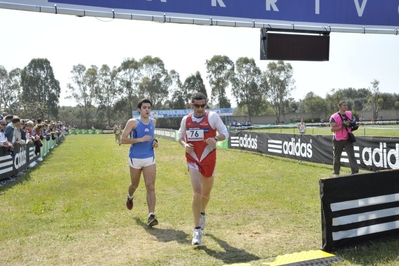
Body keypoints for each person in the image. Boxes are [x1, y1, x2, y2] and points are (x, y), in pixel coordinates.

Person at [177, 92, 229, 245]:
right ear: (191, 105)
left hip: (209, 160)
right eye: (197, 106)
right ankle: (197, 230)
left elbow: (225, 133)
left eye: (203, 105)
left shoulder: (212, 117)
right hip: (193, 159)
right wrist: (185, 145)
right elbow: (180, 136)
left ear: (206, 105)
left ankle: (202, 212)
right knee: (197, 193)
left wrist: (215, 138)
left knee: (206, 195)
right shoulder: (186, 119)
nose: (200, 109)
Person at [121, 99, 159, 227]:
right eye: (144, 107)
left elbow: (152, 137)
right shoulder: (133, 122)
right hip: (135, 159)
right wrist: (140, 139)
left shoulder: (153, 122)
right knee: (134, 185)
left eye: (149, 107)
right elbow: (123, 140)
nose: (147, 110)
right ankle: (130, 196)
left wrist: (155, 142)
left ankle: (151, 215)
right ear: (139, 109)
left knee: (150, 186)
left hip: (149, 157)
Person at [329, 100, 359, 177]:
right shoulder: (334, 117)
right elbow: (332, 129)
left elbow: (353, 122)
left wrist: (353, 125)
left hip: (348, 138)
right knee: (337, 157)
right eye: (344, 105)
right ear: (339, 107)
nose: (346, 107)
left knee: (351, 155)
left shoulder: (349, 113)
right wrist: (342, 125)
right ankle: (336, 173)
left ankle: (355, 172)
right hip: (338, 139)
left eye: (346, 105)